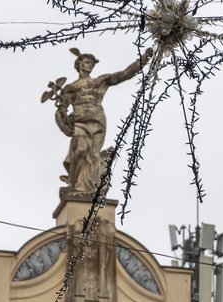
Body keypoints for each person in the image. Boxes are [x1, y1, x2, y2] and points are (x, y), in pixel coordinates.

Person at [52, 47, 154, 195]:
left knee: (93, 155)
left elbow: (123, 75)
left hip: (97, 120)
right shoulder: (71, 87)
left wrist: (143, 60)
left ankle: (88, 187)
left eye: (92, 63)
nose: (90, 65)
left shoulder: (99, 81)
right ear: (79, 64)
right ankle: (75, 184)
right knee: (80, 151)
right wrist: (63, 121)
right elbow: (61, 110)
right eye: (87, 62)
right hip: (80, 122)